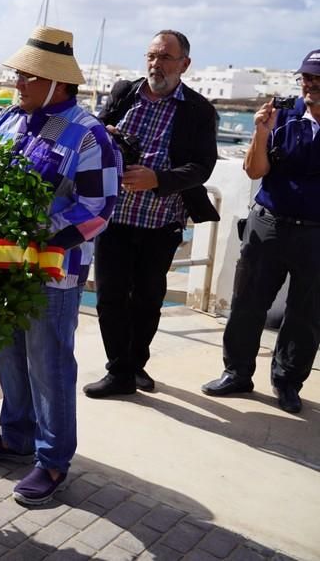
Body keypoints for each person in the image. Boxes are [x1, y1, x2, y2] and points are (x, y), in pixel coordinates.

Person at [0, 26, 120, 506]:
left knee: (49, 365)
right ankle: (15, 436)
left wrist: (36, 232)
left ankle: (52, 462)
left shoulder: (89, 136)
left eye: (29, 76)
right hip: (1, 266)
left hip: (54, 272)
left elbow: (99, 209)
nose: (19, 83)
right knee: (8, 353)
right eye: (19, 74)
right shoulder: (9, 120)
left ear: (59, 83)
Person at [83, 30, 219, 398]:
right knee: (110, 296)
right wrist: (106, 134)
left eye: (165, 58)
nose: (156, 64)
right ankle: (119, 371)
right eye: (151, 56)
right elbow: (93, 131)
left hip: (161, 222)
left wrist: (157, 178)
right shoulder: (124, 93)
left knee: (146, 299)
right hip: (115, 217)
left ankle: (133, 364)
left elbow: (202, 167)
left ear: (184, 65)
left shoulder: (199, 110)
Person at [202, 49, 320, 414]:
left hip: (316, 233)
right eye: (305, 77)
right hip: (268, 223)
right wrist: (260, 131)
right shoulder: (282, 117)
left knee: (306, 314)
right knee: (247, 303)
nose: (309, 84)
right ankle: (237, 372)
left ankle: (287, 382)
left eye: (317, 78)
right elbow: (254, 171)